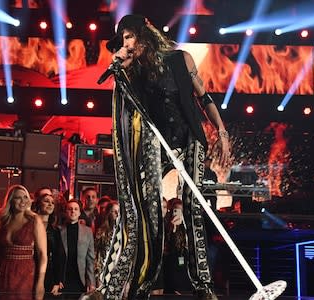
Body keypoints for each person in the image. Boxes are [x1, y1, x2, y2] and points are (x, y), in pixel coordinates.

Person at [93, 14, 230, 299]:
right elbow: (122, 103)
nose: (127, 43)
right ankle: (141, 282)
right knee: (148, 213)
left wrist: (222, 131)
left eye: (130, 36)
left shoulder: (181, 59)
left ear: (145, 35)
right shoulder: (132, 68)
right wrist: (119, 64)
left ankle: (203, 286)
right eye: (123, 39)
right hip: (155, 141)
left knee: (192, 209)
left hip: (189, 137)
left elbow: (203, 97)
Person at [0, 185, 47, 299]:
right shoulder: (4, 221)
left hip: (25, 274)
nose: (23, 201)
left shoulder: (34, 220)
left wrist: (40, 282)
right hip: (3, 274)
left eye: (25, 197)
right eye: (18, 198)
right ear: (10, 201)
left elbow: (42, 255)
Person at [60, 200, 95, 295]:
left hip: (80, 279)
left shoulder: (88, 232)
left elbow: (90, 260)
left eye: (76, 209)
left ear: (79, 212)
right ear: (65, 212)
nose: (73, 211)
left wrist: (91, 282)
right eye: (70, 209)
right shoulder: (58, 230)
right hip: (63, 280)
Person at [33, 192, 64, 296]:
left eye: (52, 203)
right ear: (38, 204)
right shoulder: (30, 225)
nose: (50, 204)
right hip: (29, 269)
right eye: (46, 201)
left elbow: (58, 256)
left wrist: (57, 281)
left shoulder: (55, 231)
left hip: (48, 273)